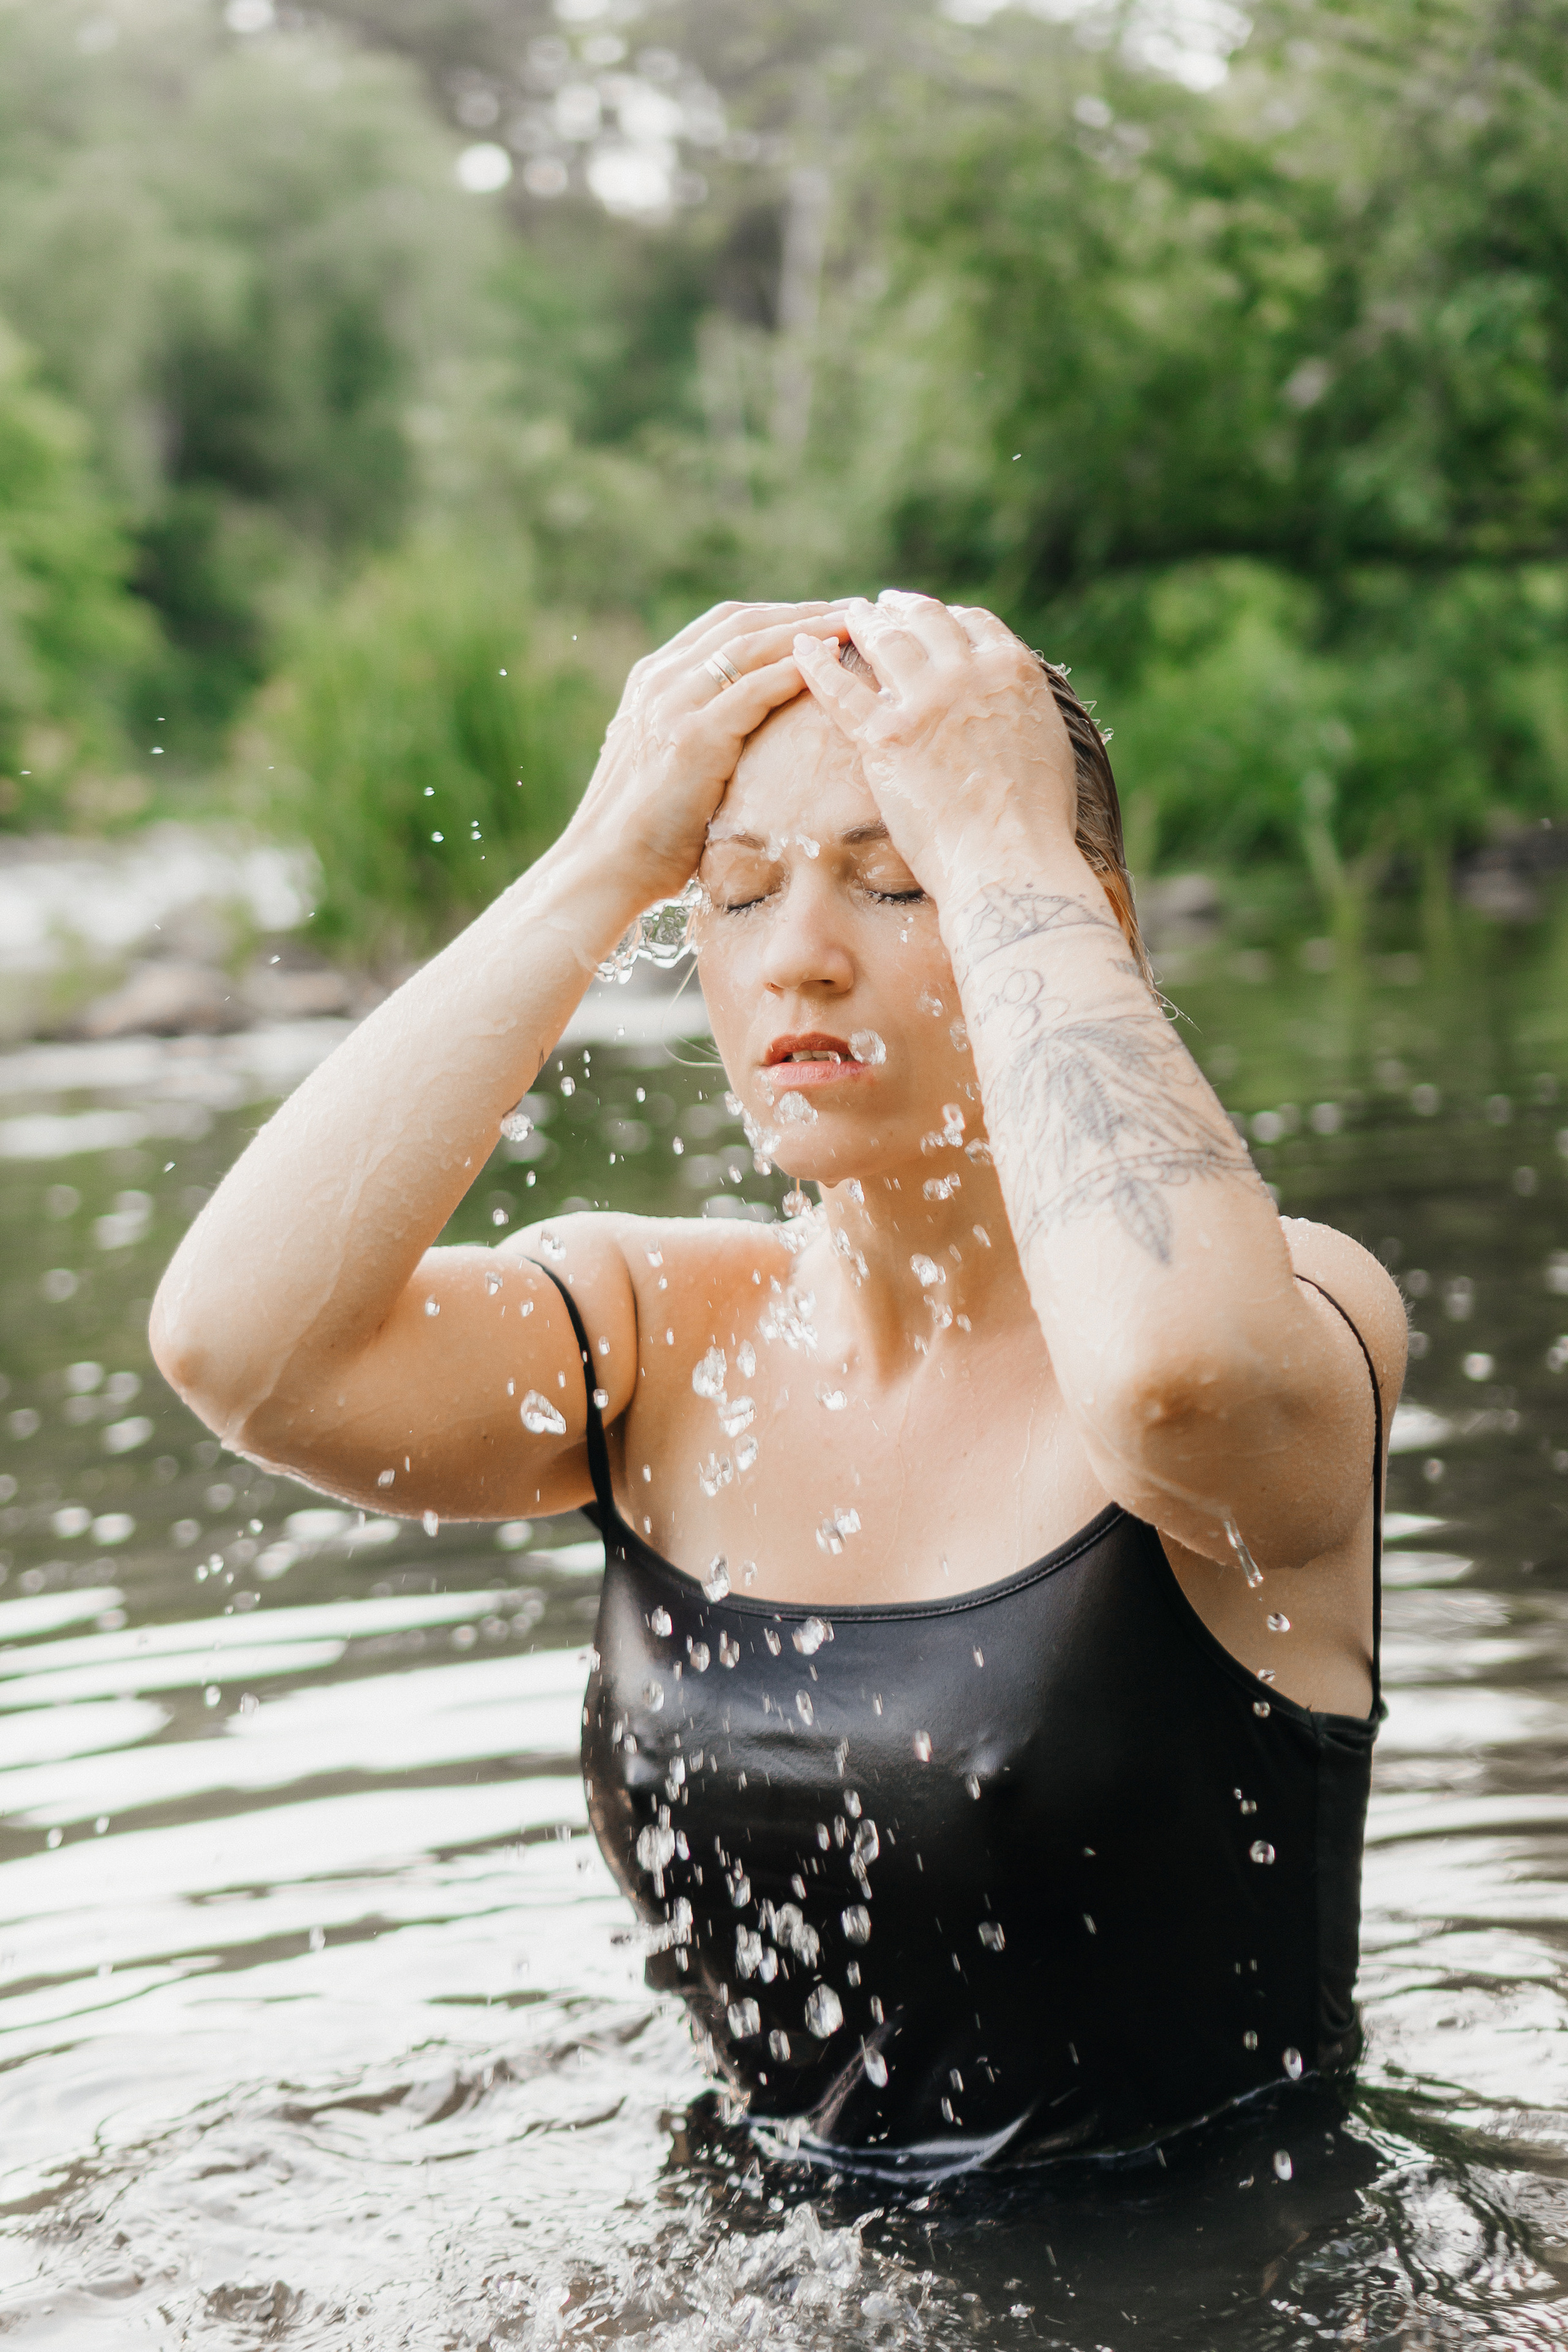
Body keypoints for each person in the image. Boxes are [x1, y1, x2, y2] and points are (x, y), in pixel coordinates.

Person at [151, 591, 1406, 2175]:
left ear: (1082, 924)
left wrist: (1008, 848)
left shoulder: (1298, 1309)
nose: (800, 959)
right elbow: (243, 1350)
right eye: (737, 898)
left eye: (896, 881)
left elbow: (1175, 1382)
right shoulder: (652, 1329)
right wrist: (602, 859)